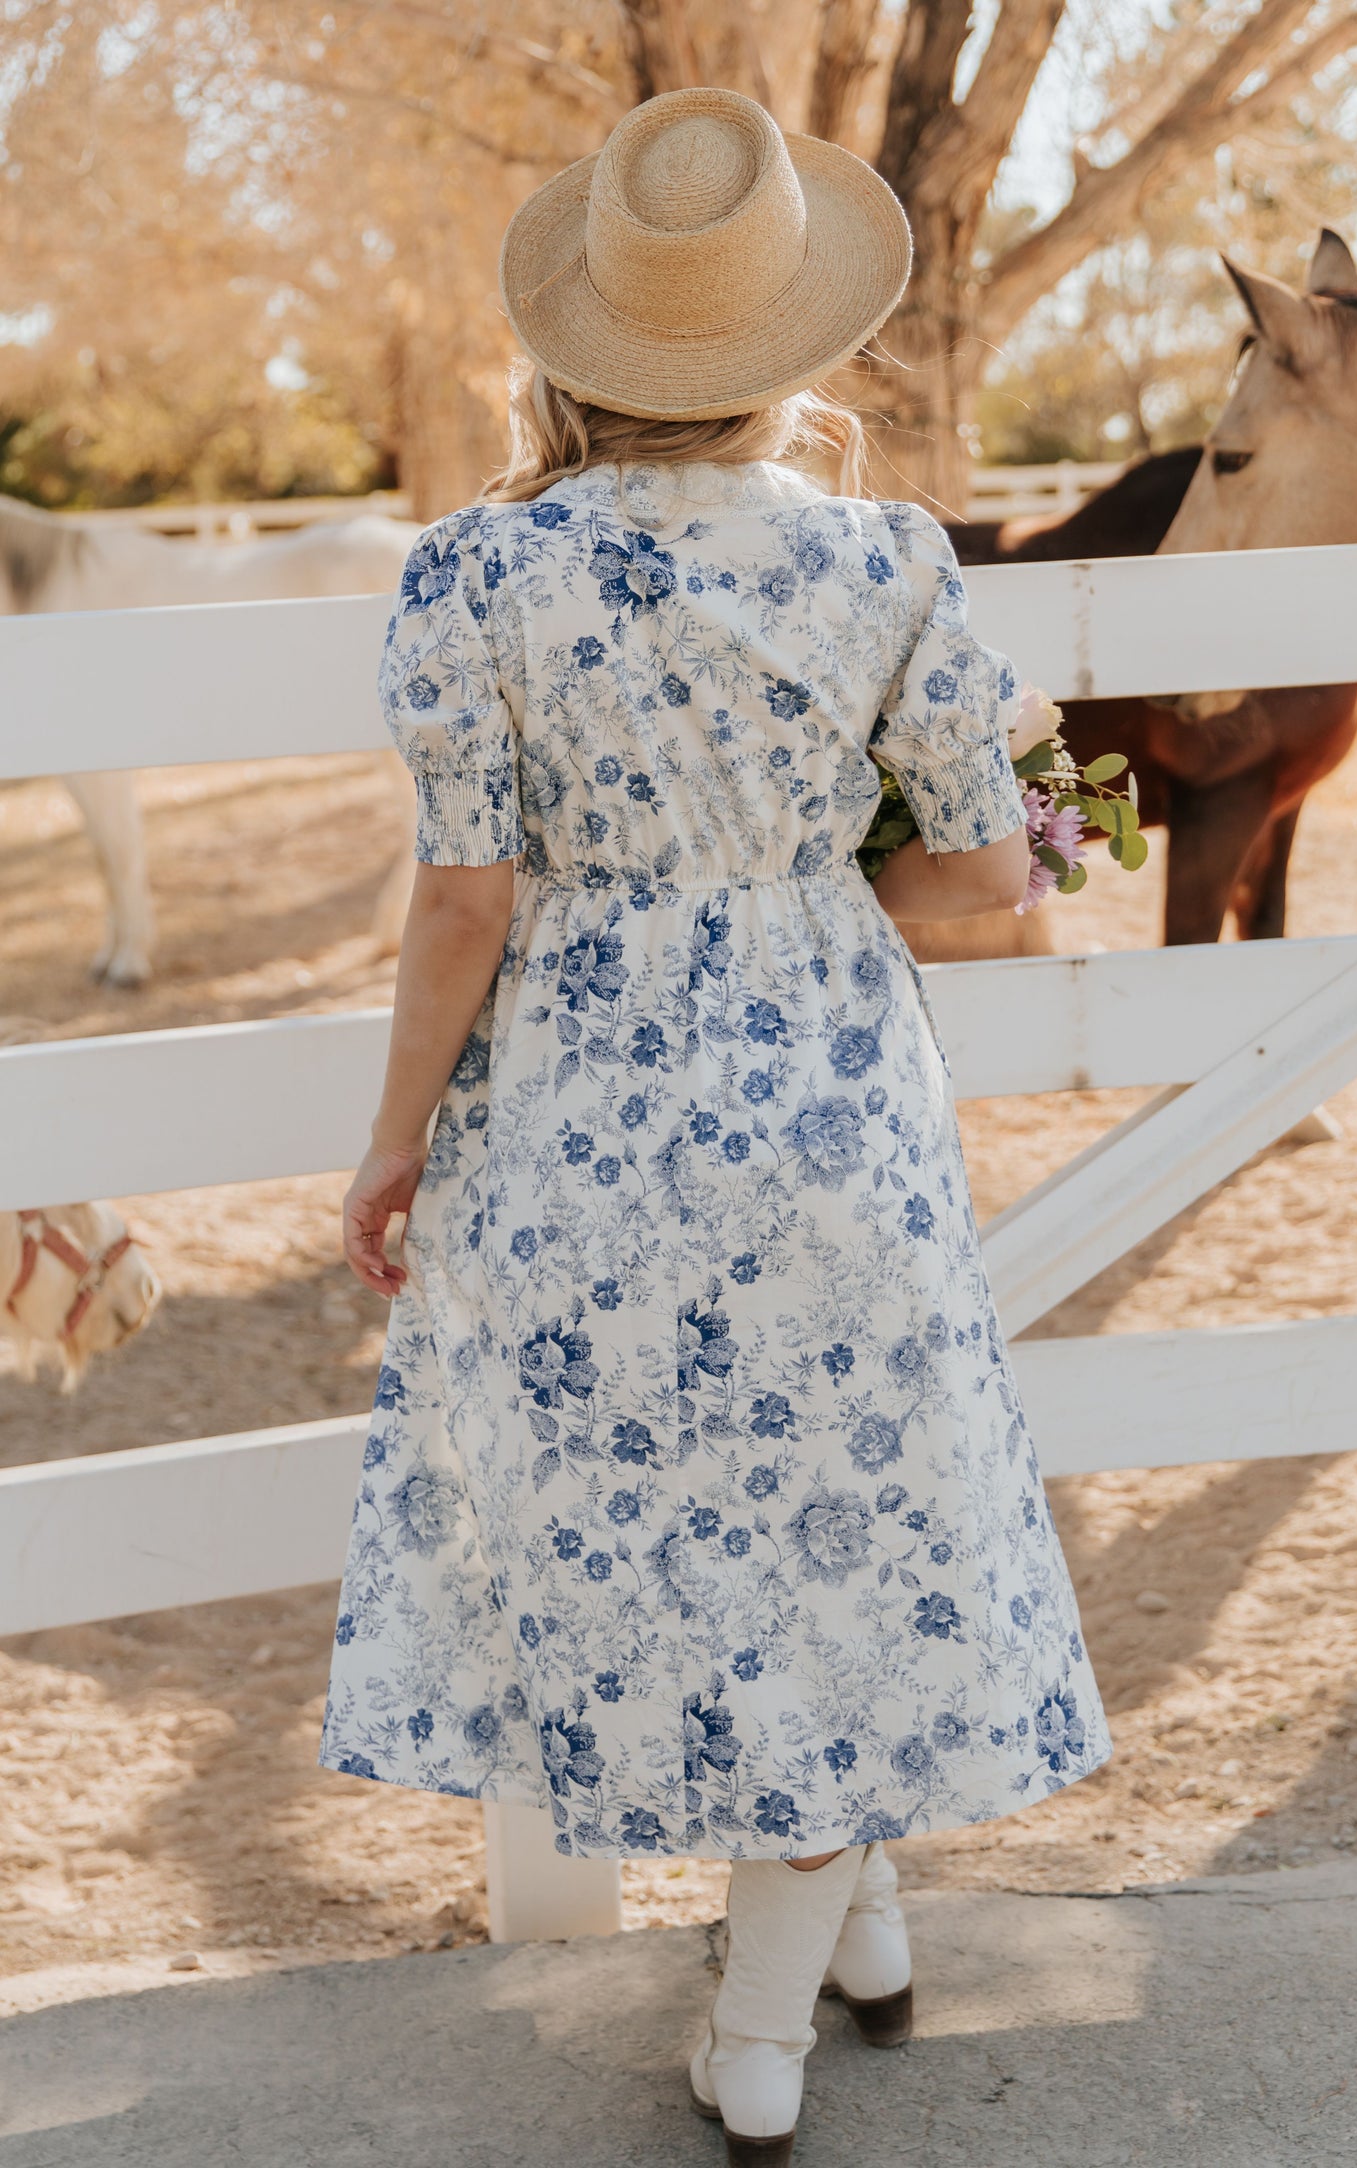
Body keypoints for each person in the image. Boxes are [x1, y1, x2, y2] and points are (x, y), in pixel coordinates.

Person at [321, 86, 1110, 2168]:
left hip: (574, 1122)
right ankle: (816, 1966)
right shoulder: (890, 561)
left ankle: (778, 2003)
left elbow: (465, 901)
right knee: (841, 1550)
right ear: (788, 346)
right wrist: (822, 865)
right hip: (831, 1112)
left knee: (660, 1553)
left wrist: (393, 1141)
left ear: (580, 344)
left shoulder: (473, 572)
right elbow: (981, 891)